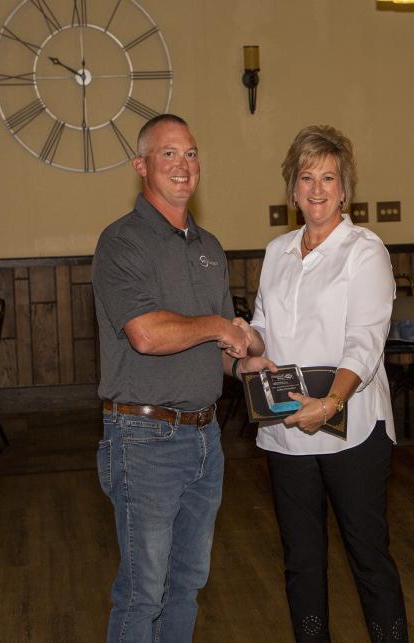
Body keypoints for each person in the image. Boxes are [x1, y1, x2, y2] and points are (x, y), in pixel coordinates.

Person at [91, 113, 268, 642]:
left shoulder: (209, 247)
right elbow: (146, 335)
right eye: (168, 154)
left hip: (205, 439)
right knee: (144, 592)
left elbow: (213, 350)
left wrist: (245, 364)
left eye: (190, 154)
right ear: (141, 166)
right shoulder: (121, 243)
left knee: (187, 584)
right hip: (144, 439)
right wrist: (220, 325)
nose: (183, 165)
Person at [244, 125, 409, 642]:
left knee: (367, 557)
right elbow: (264, 326)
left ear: (344, 188)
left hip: (352, 424)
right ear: (292, 189)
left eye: (329, 177)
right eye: (307, 177)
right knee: (302, 563)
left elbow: (365, 341)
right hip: (287, 427)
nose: (317, 188)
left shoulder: (365, 251)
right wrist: (240, 339)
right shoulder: (276, 252)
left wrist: (332, 402)